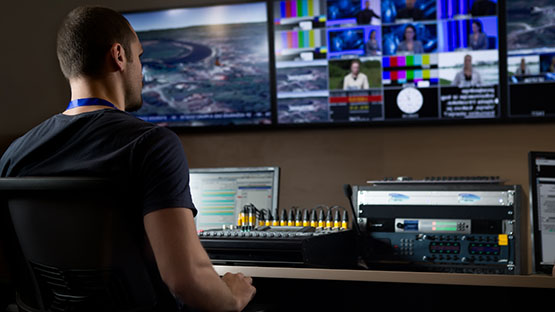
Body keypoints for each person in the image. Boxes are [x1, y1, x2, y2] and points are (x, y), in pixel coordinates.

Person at [0, 6, 255, 312]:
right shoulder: (152, 144)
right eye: (140, 56)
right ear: (119, 56)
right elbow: (186, 280)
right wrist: (233, 296)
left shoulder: (14, 155)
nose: (141, 70)